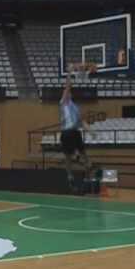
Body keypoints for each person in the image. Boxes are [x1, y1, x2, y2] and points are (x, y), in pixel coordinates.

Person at [59, 63, 95, 192]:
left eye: (67, 92)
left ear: (70, 95)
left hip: (75, 132)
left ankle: (88, 171)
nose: (65, 92)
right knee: (68, 157)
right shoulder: (63, 103)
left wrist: (90, 131)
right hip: (66, 133)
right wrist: (69, 73)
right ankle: (70, 176)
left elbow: (81, 122)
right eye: (65, 91)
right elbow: (68, 86)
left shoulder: (75, 107)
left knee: (83, 153)